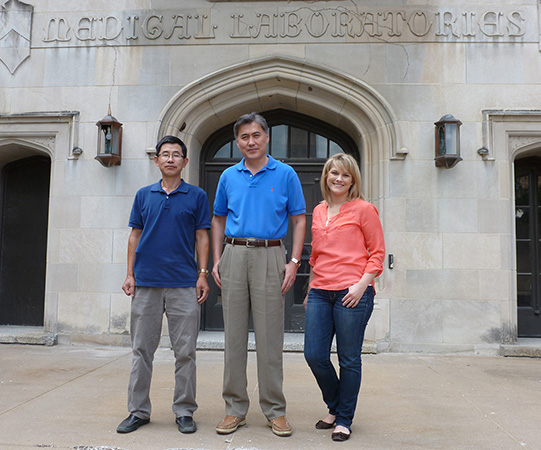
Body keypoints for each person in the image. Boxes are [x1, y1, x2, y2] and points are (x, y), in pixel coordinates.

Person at [211, 112, 306, 437]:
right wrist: (216, 259)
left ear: (267, 137)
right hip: (234, 254)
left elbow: (298, 219)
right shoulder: (228, 176)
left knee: (269, 339)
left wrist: (293, 261)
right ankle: (234, 409)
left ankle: (274, 411)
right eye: (243, 137)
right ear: (237, 141)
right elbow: (218, 219)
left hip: (271, 255)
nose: (250, 142)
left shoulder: (286, 174)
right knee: (234, 338)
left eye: (255, 135)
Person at [116, 135, 211, 435]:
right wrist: (130, 273)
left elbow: (202, 237)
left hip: (183, 284)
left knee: (185, 352)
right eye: (165, 154)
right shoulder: (144, 195)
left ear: (184, 161)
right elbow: (134, 235)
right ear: (156, 160)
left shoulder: (196, 196)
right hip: (146, 283)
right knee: (141, 350)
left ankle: (184, 411)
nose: (170, 159)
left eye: (176, 155)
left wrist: (202, 273)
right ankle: (138, 411)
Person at [303, 153, 385, 442]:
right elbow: (315, 254)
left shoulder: (364, 209)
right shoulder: (318, 211)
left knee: (349, 359)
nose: (338, 179)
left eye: (345, 175)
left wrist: (361, 285)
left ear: (353, 180)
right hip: (320, 292)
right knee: (314, 354)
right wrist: (311, 287)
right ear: (326, 176)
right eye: (334, 173)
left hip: (353, 293)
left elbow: (377, 254)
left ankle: (343, 419)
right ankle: (336, 405)